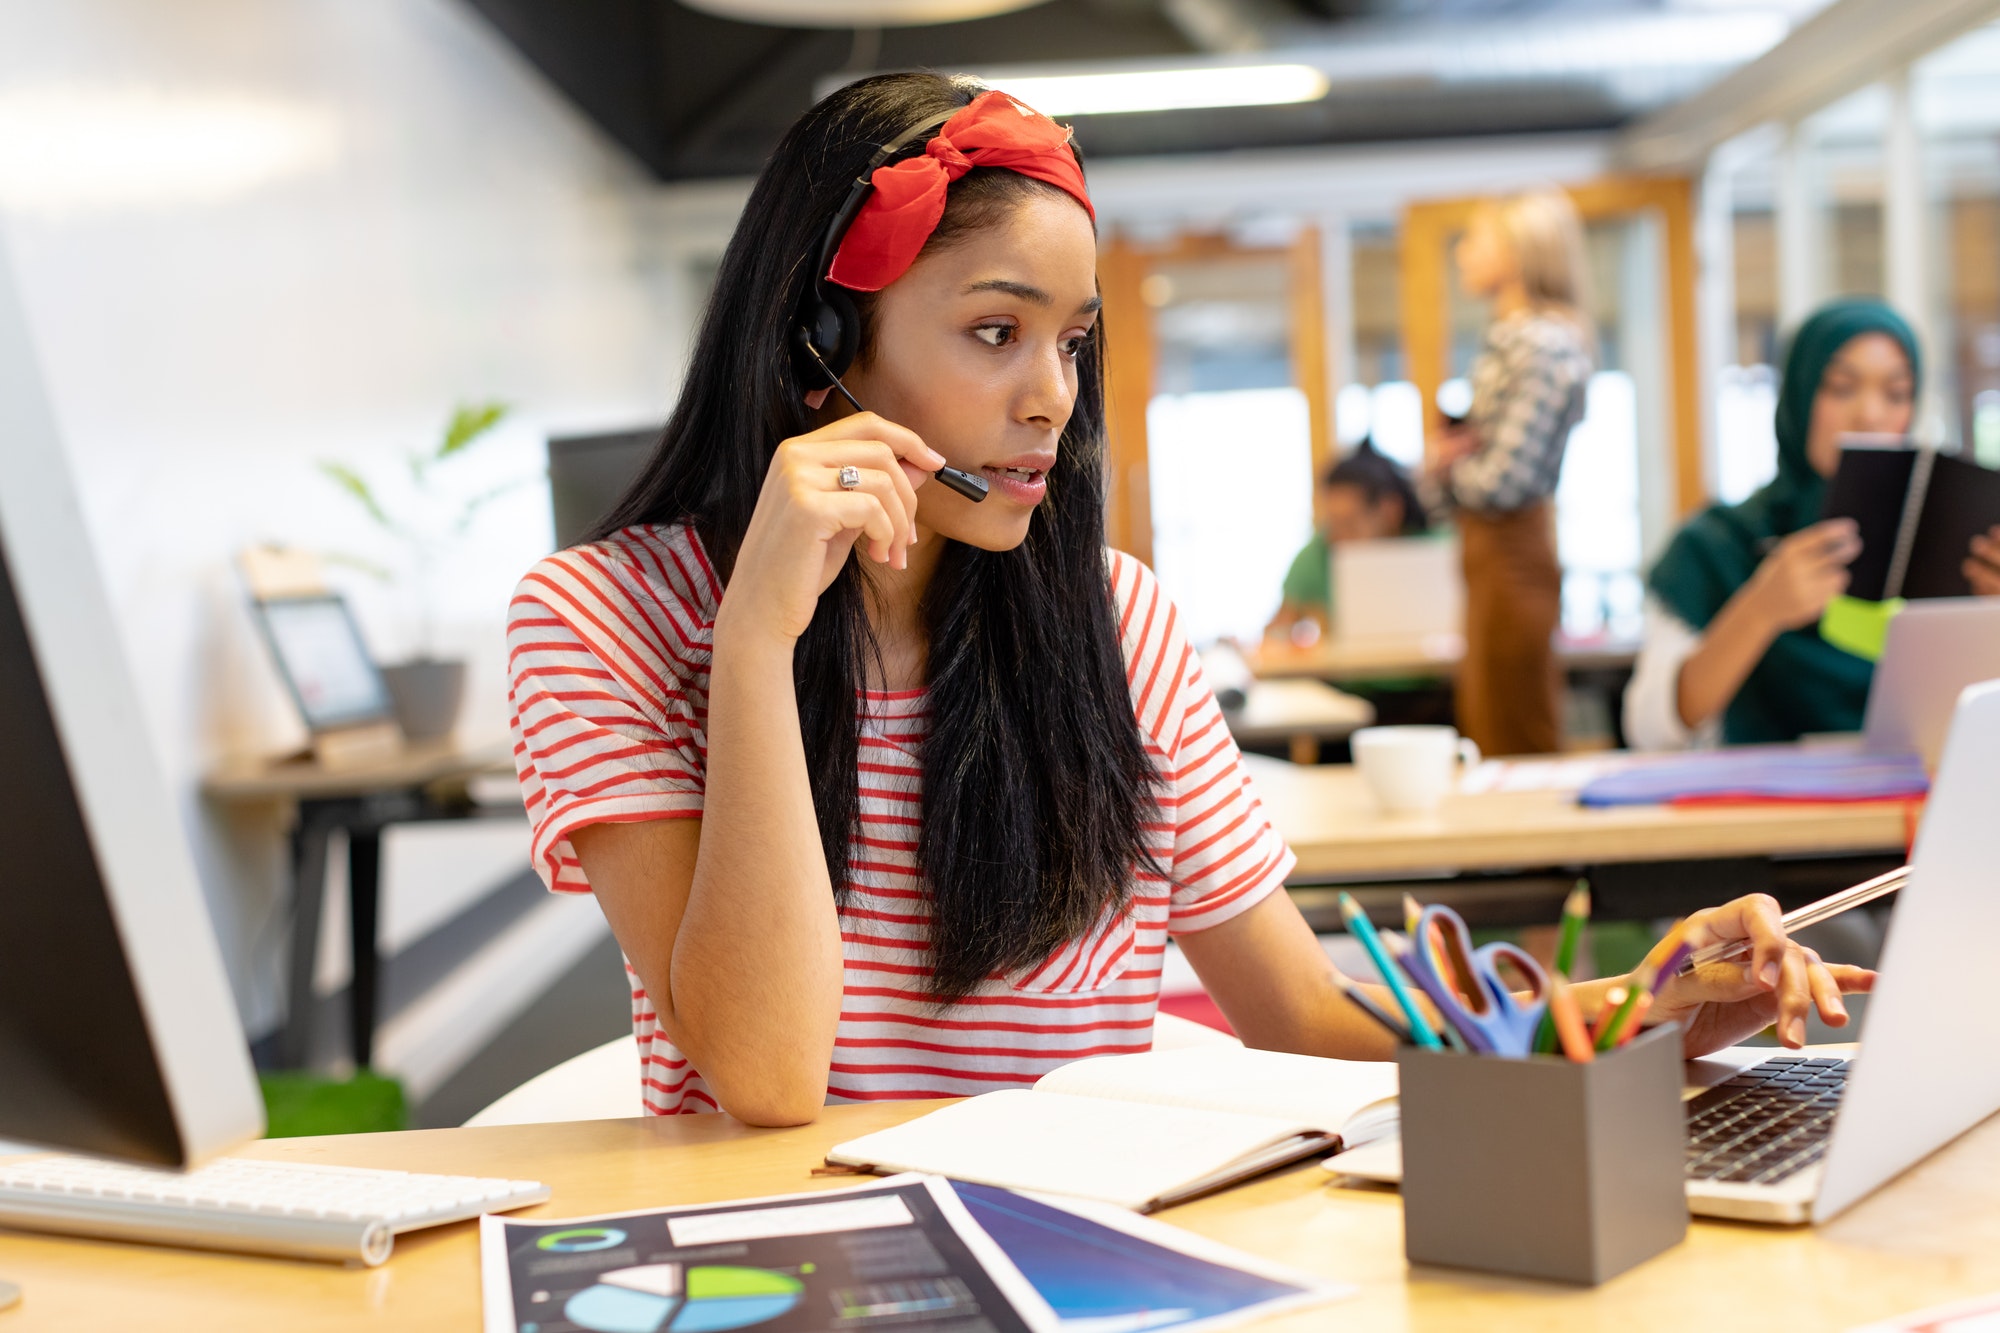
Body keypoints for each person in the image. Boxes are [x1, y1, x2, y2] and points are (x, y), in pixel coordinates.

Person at [507, 73, 1865, 1126]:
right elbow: (768, 1077)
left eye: (1072, 340)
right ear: (819, 354)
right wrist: (757, 641)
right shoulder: (596, 621)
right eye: (995, 331)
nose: (1052, 397)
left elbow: (1302, 1015)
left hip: (1093, 1266)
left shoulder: (1113, 619)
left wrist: (1642, 1010)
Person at [1628, 299, 2000, 750]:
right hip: (1764, 809)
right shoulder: (1715, 544)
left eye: (1896, 393)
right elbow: (1650, 729)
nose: (1870, 414)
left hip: (1921, 806)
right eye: (1842, 388)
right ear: (1800, 397)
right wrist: (1760, 610)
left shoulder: (1952, 549)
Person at [1424, 189, 1594, 756]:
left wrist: (1452, 465)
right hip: (1489, 559)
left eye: (1478, 240)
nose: (1463, 254)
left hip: (1513, 557)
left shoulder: (1540, 346)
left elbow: (1504, 482)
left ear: (1520, 251)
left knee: (1517, 730)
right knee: (1490, 721)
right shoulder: (1511, 343)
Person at [1266, 438, 1429, 644]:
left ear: (1390, 511)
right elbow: (1275, 635)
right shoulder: (1316, 555)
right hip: (1341, 676)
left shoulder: (1436, 551)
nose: (1338, 537)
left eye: (1349, 524)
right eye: (1332, 524)